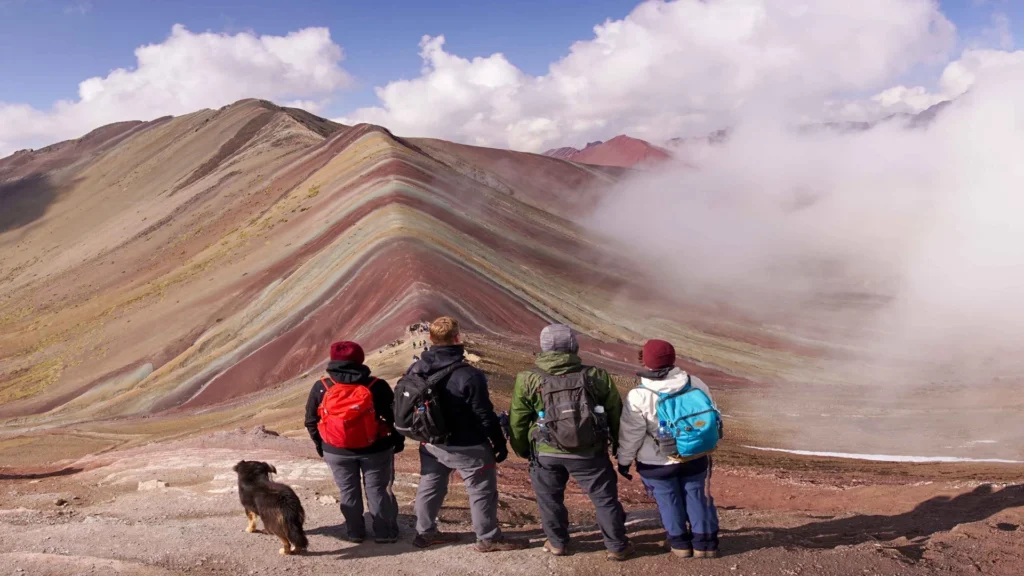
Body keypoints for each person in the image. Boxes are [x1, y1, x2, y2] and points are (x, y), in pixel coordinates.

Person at [509, 324, 634, 561]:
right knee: (604, 498)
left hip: (546, 451)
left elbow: (518, 420)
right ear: (573, 347)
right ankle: (617, 546)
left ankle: (557, 543)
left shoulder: (527, 379)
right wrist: (619, 445)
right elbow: (616, 413)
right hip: (591, 452)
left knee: (549, 498)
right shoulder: (596, 376)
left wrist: (525, 450)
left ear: (544, 348)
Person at [404, 316, 527, 552]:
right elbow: (484, 414)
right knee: (481, 491)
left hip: (431, 443)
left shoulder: (416, 368)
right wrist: (499, 442)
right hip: (468, 445)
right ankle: (488, 537)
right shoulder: (469, 375)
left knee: (430, 486)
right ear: (458, 338)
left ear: (430, 338)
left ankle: (424, 533)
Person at [617, 339, 720, 558]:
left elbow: (631, 435)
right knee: (696, 496)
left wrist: (624, 461)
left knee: (668, 500)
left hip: (657, 462)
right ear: (672, 359)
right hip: (695, 454)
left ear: (645, 362)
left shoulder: (639, 395)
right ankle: (705, 545)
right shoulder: (696, 383)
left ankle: (680, 545)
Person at [304, 341, 404, 544]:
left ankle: (355, 532)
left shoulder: (322, 387)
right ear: (361, 359)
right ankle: (384, 533)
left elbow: (310, 421)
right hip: (376, 449)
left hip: (336, 450)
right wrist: (396, 441)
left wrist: (321, 445)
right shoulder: (377, 386)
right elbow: (395, 419)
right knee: (378, 491)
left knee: (348, 491)